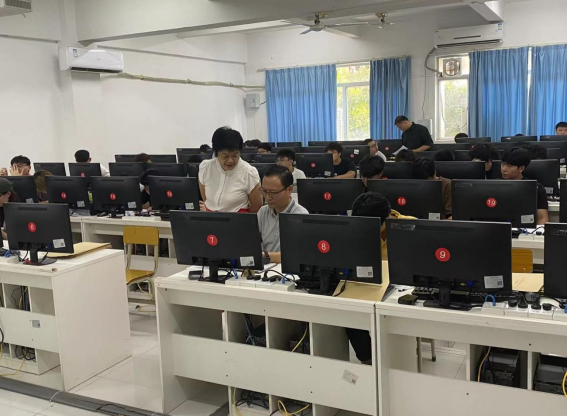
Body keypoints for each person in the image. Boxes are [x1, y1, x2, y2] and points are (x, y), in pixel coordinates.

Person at [346, 192, 414, 364]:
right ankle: (368, 359)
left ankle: (396, 362)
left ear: (386, 219)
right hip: (370, 285)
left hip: (402, 288)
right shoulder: (356, 228)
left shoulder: (410, 225)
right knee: (348, 311)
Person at [199, 127, 262, 213]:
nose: (230, 160)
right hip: (210, 218)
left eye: (235, 155)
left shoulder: (249, 172)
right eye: (225, 156)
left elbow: (256, 207)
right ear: (216, 153)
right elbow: (206, 199)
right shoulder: (206, 167)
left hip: (237, 219)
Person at [257, 166, 308, 264]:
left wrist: (265, 256)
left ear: (289, 190)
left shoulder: (300, 215)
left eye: (273, 192)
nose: (268, 197)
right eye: (264, 191)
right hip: (265, 267)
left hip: (287, 268)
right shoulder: (263, 212)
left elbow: (299, 254)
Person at [501, 148, 548, 225]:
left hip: (525, 230)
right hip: (497, 229)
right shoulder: (492, 186)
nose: (503, 169)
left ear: (521, 168)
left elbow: (542, 218)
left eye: (509, 166)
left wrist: (539, 231)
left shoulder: (536, 188)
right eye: (503, 164)